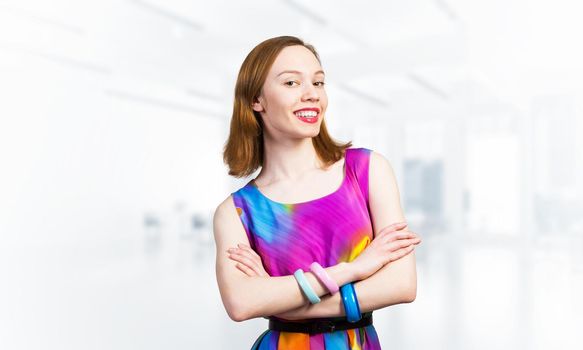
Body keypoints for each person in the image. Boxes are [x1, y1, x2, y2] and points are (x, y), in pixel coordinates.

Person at [213, 35, 422, 349]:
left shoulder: (368, 170)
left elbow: (402, 285)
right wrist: (353, 270)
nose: (312, 94)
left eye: (319, 82)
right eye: (292, 83)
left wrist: (278, 298)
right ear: (257, 100)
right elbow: (241, 304)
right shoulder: (235, 212)